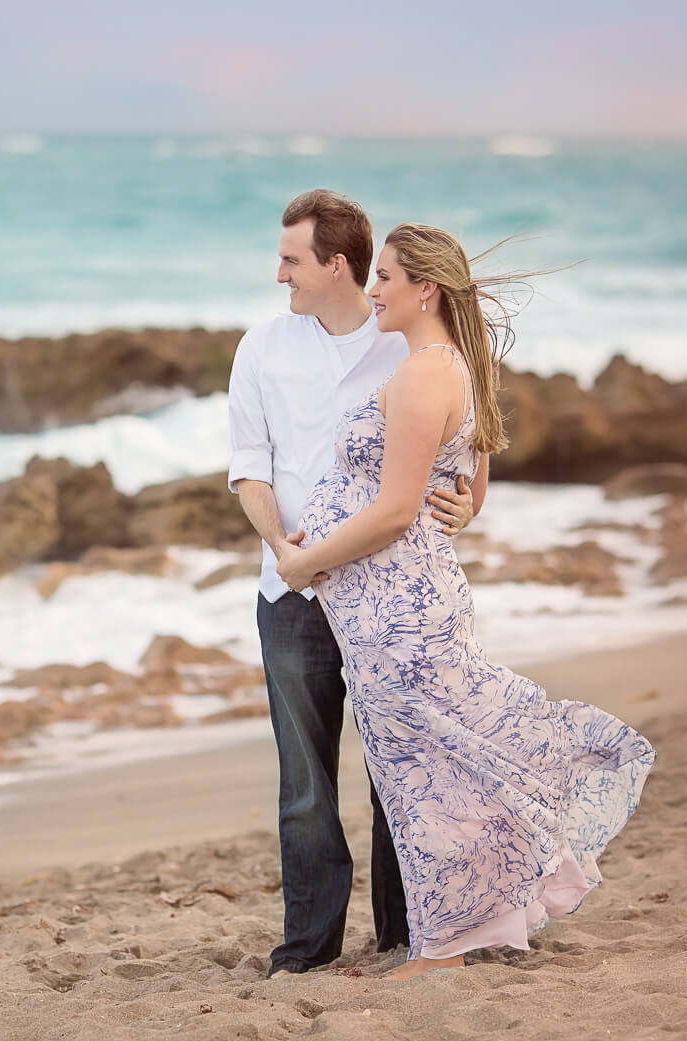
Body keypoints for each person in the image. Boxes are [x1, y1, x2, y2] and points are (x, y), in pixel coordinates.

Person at [276, 222, 655, 979]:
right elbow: (465, 487)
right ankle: (459, 931)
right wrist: (465, 508)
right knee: (429, 772)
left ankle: (443, 946)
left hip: (400, 614)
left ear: (427, 289)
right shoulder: (448, 365)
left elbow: (392, 510)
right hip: (394, 611)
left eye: (384, 277)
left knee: (427, 776)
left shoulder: (425, 374)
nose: (373, 290)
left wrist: (302, 561)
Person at [227, 190, 477, 977]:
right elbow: (248, 470)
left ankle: (404, 937)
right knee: (304, 781)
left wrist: (469, 499)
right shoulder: (261, 348)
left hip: (381, 599)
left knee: (395, 769)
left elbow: (466, 445)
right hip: (292, 595)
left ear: (339, 265)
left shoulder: (406, 341)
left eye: (292, 259)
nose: (279, 275)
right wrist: (284, 544)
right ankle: (308, 950)